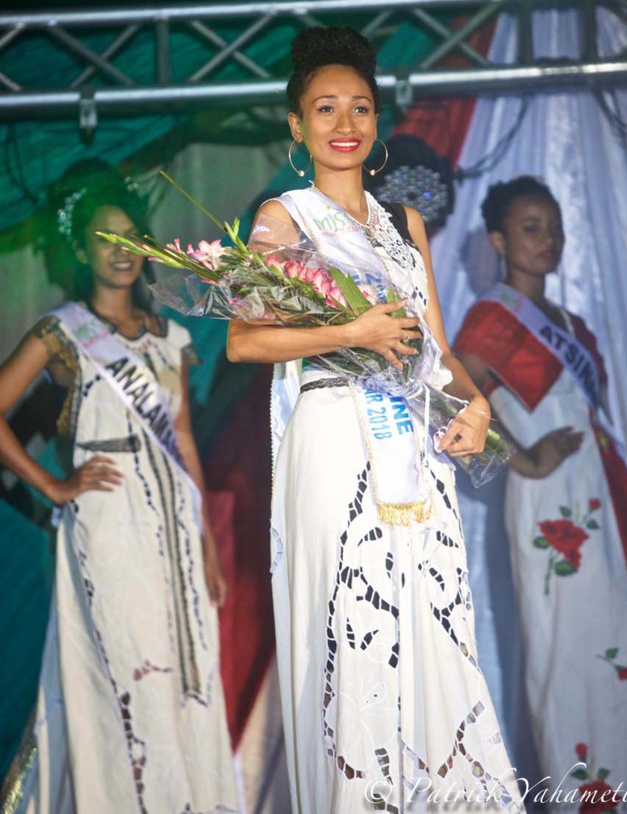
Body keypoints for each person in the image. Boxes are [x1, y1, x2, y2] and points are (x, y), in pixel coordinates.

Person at [227, 27, 524, 814]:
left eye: (358, 106)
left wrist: (477, 403)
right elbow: (244, 339)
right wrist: (349, 334)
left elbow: (437, 348)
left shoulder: (404, 224)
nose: (343, 122)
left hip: (414, 451)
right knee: (352, 626)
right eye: (323, 108)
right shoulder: (282, 219)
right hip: (333, 446)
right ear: (296, 125)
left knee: (431, 625)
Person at [0, 160, 238, 813]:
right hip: (108, 520)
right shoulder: (62, 333)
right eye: (105, 237)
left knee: (182, 674)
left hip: (173, 529)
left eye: (130, 235)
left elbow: (184, 438)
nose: (120, 250)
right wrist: (51, 484)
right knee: (131, 674)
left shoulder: (171, 337)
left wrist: (207, 546)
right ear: (79, 249)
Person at [454, 176, 627, 804]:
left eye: (554, 227)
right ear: (501, 241)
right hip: (549, 507)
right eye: (531, 228)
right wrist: (523, 459)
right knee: (564, 650)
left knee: (615, 639)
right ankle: (578, 795)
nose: (548, 240)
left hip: (600, 495)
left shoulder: (573, 324)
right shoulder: (490, 317)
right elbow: (458, 394)